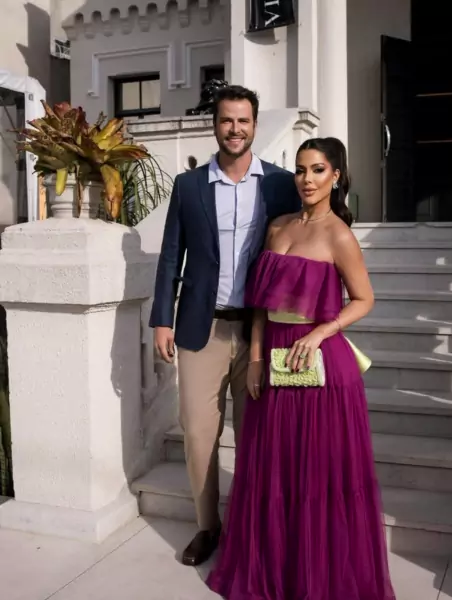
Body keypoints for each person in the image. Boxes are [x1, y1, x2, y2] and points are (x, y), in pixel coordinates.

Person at [207, 137, 396, 600]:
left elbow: (364, 299)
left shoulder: (339, 235)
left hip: (320, 363)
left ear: (336, 176)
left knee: (316, 474)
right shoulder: (278, 227)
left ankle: (317, 578)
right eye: (300, 169)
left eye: (317, 170)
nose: (306, 179)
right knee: (275, 469)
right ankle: (277, 569)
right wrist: (255, 359)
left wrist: (321, 332)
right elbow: (260, 304)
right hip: (274, 357)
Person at [149, 85, 300, 567]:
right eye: (227, 120)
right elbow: (171, 254)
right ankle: (207, 526)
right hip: (201, 329)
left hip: (260, 332)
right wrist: (162, 319)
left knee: (257, 435)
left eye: (244, 121)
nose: (235, 129)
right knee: (198, 434)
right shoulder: (189, 185)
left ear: (255, 125)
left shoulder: (280, 184)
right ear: (215, 125)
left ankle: (253, 527)